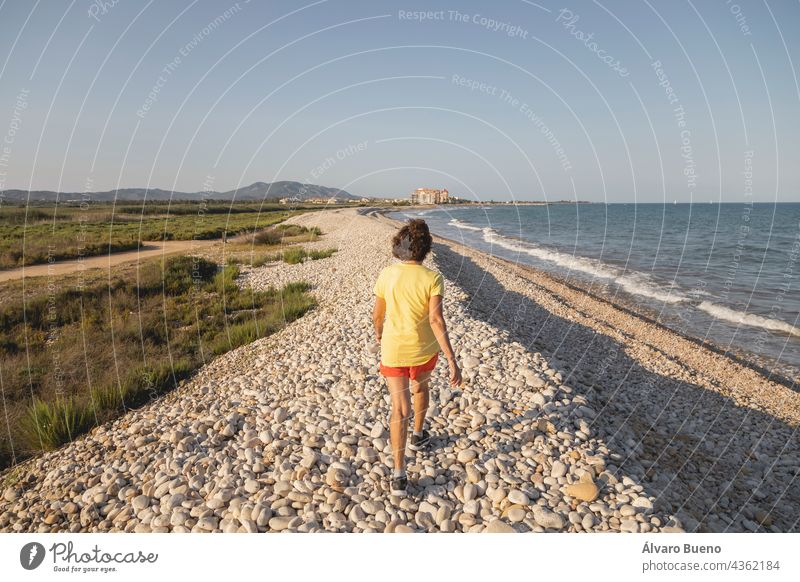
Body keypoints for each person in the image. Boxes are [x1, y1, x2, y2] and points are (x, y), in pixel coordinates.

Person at [372, 218, 462, 497]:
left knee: (399, 410)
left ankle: (398, 474)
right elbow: (436, 319)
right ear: (425, 250)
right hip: (423, 349)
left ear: (399, 247)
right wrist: (451, 358)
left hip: (394, 350)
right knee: (421, 387)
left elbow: (378, 315)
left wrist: (379, 334)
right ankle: (419, 435)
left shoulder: (386, 275)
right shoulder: (433, 278)